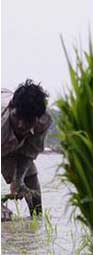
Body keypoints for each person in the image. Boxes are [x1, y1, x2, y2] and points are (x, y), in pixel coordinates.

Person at [1, 80, 51, 217]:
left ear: (37, 118)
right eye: (17, 117)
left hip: (14, 144)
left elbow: (27, 154)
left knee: (30, 183)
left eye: (28, 120)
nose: (21, 125)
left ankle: (35, 231)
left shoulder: (43, 121)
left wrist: (18, 180)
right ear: (11, 108)